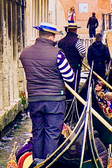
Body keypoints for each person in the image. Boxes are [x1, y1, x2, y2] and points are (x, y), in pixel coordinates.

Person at [19, 22, 75, 160]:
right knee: (52, 132)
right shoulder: (57, 54)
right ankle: (49, 163)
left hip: (34, 99)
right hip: (54, 100)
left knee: (38, 132)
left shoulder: (25, 53)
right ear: (51, 37)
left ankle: (37, 163)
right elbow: (70, 77)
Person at [57, 23, 86, 95]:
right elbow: (83, 51)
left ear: (68, 30)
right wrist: (80, 58)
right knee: (74, 85)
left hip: (63, 66)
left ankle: (65, 98)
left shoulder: (60, 42)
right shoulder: (76, 41)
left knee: (64, 85)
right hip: (75, 66)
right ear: (76, 30)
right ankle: (73, 100)